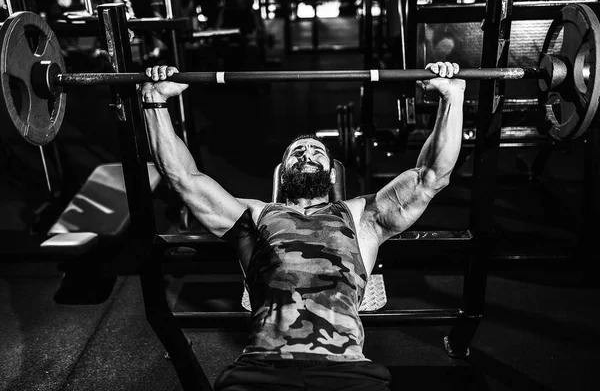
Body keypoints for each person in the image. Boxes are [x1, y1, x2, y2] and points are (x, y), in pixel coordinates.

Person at [140, 62, 465, 390]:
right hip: (262, 369)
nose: (306, 154)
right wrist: (154, 101)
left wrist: (452, 97)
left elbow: (430, 176)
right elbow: (183, 178)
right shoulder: (253, 217)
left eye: (316, 151)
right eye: (297, 152)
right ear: (282, 173)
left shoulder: (361, 216)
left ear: (332, 173)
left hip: (346, 371)